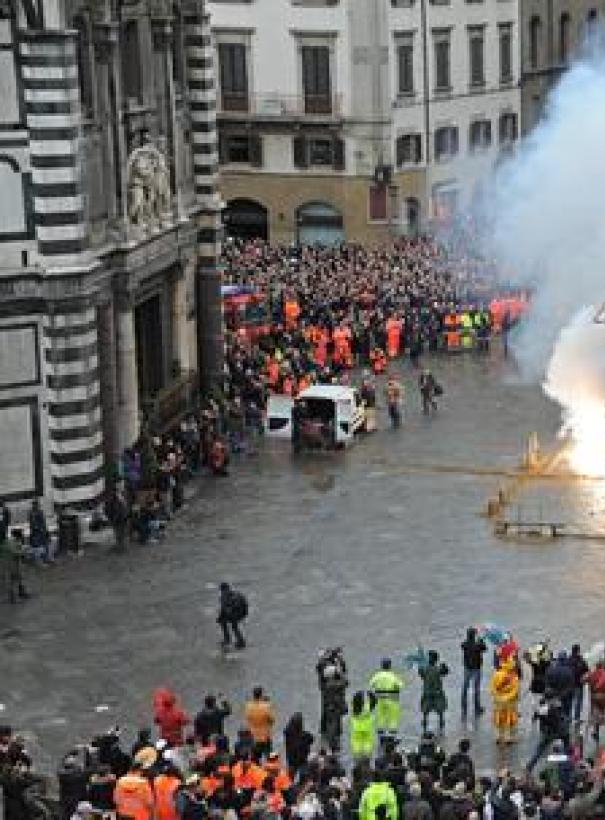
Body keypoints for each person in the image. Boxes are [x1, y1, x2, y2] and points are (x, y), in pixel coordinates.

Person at [369, 658, 405, 739]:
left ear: (382, 666)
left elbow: (371, 683)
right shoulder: (393, 676)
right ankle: (392, 735)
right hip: (392, 699)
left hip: (380, 699)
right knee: (393, 717)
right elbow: (400, 685)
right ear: (390, 666)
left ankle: (381, 735)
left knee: (380, 716)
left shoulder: (377, 675)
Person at [490, 657, 520, 744]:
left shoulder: (496, 674)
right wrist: (507, 697)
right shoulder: (514, 677)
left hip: (498, 702)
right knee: (510, 720)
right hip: (509, 702)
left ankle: (499, 736)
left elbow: (492, 688)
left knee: (499, 719)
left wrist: (497, 696)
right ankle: (508, 738)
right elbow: (515, 690)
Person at [419, 650, 448, 732]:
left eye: (430, 658)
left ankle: (426, 722)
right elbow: (445, 672)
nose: (429, 659)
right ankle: (440, 723)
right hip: (436, 692)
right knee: (439, 709)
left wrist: (421, 666)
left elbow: (421, 674)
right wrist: (444, 667)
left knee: (426, 709)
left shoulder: (426, 669)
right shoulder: (437, 669)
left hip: (429, 692)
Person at [461, 627, 486, 718]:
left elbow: (463, 645)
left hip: (467, 669)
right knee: (476, 689)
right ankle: (477, 708)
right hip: (476, 669)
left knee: (465, 688)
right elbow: (484, 648)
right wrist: (481, 640)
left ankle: (464, 707)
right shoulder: (478, 645)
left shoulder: (464, 644)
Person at [244, 687, 275, 759]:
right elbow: (272, 720)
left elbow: (247, 718)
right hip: (265, 736)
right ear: (261, 695)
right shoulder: (266, 706)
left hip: (253, 736)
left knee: (255, 759)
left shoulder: (248, 706)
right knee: (269, 758)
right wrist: (268, 703)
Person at [217, 582, 247, 650]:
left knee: (223, 622)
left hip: (234, 613)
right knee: (234, 625)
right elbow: (244, 604)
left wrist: (220, 618)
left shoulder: (223, 596)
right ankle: (240, 641)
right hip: (242, 613)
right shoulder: (237, 593)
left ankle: (227, 639)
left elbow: (224, 609)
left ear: (222, 590)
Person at [349, 691, 377, 762]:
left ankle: (356, 756)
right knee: (368, 742)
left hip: (356, 728)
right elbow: (374, 702)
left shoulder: (354, 708)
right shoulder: (367, 707)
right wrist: (370, 694)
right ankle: (367, 755)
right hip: (367, 727)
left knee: (356, 742)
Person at [568, 644, 589, 725]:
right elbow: (587, 671)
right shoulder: (581, 660)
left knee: (569, 701)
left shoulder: (568, 660)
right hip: (579, 685)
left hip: (569, 685)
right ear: (578, 651)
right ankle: (576, 718)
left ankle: (568, 717)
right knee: (578, 702)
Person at [28, 499, 52, 563]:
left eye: (36, 505)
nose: (34, 506)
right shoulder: (32, 513)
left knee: (44, 544)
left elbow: (43, 522)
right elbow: (31, 522)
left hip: (40, 530)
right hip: (36, 531)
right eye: (34, 504)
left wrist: (44, 530)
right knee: (38, 545)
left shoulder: (39, 512)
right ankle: (41, 558)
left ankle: (46, 558)